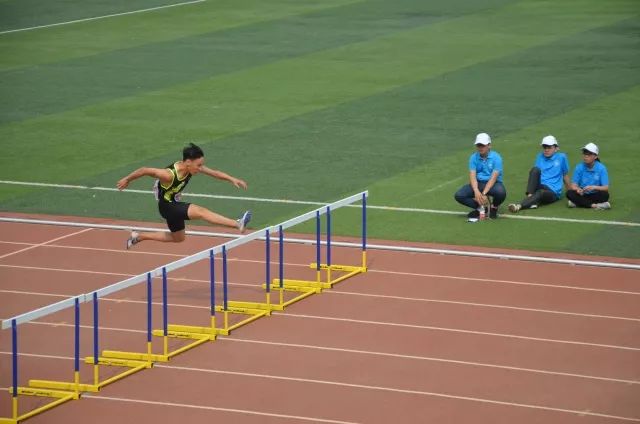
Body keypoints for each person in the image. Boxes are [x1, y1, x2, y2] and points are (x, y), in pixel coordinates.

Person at [116, 143, 252, 248]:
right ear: (188, 162)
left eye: (201, 165)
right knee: (201, 212)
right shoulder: (168, 175)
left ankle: (139, 237)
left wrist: (232, 179)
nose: (200, 168)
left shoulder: (191, 167)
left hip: (173, 205)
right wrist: (127, 179)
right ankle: (237, 223)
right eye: (198, 165)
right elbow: (144, 170)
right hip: (167, 207)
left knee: (178, 238)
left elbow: (214, 173)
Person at [507, 135, 570, 213]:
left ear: (556, 148)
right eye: (544, 147)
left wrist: (569, 194)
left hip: (553, 192)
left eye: (549, 147)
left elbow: (565, 175)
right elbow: (535, 175)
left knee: (541, 192)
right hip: (541, 186)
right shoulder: (540, 156)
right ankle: (531, 198)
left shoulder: (562, 157)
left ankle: (519, 206)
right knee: (535, 170)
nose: (546, 150)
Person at [454, 132, 506, 219]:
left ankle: (494, 207)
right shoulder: (473, 157)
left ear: (489, 146)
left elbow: (493, 178)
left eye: (483, 145)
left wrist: (484, 193)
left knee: (501, 192)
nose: (480, 148)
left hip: (494, 184)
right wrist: (476, 191)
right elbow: (472, 175)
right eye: (478, 145)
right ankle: (481, 209)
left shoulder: (497, 158)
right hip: (478, 183)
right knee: (459, 195)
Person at [566, 142, 611, 210]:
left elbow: (605, 187)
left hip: (595, 194)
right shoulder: (579, 167)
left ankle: (578, 203)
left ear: (595, 156)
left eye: (589, 154)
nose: (586, 156)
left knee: (605, 195)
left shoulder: (601, 168)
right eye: (585, 153)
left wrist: (593, 187)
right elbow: (573, 185)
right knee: (569, 193)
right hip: (583, 194)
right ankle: (595, 205)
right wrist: (578, 189)